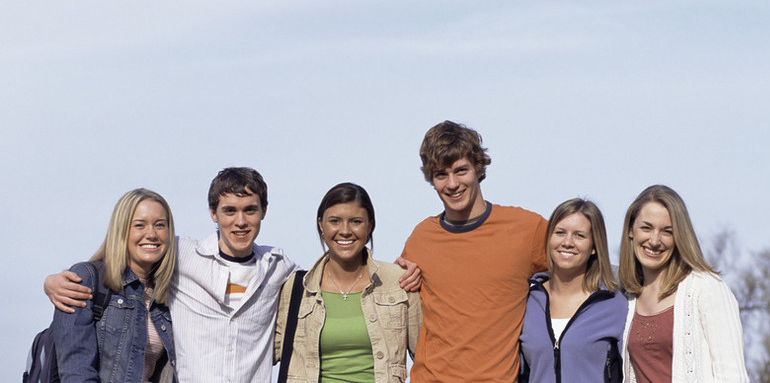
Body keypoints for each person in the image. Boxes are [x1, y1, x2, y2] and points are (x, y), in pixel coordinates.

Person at [46, 168, 420, 382]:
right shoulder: (182, 256)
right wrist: (54, 282)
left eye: (250, 210)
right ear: (213, 213)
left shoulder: (281, 269)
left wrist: (403, 268)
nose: (240, 221)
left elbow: (333, 273)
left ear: (263, 212)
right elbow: (131, 258)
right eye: (229, 211)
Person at [401, 120, 548, 383]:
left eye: (461, 171)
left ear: (478, 169)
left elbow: (580, 274)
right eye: (441, 175)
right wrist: (400, 275)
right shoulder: (421, 237)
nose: (452, 184)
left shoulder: (527, 229)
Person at [274, 183, 422, 382]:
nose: (345, 231)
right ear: (321, 225)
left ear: (369, 225)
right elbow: (262, 349)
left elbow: (426, 357)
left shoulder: (399, 281)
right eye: (334, 221)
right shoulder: (296, 287)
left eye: (356, 221)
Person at [618, 185, 749, 382]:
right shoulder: (627, 299)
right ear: (630, 230)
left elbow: (732, 375)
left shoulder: (706, 287)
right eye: (646, 228)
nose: (654, 240)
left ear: (679, 237)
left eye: (667, 231)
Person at [51, 188, 177, 383]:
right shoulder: (87, 279)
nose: (151, 234)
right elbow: (76, 371)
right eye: (139, 225)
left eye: (160, 225)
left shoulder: (169, 292)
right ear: (121, 230)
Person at [519, 198, 628, 383]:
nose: (567, 242)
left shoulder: (615, 305)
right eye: (560, 232)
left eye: (579, 235)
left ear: (594, 246)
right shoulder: (527, 301)